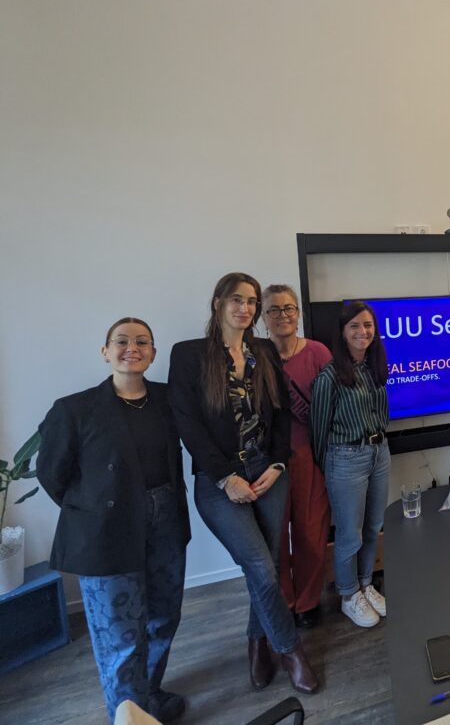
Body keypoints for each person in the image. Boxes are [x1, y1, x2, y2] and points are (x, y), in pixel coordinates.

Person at [168, 273, 318, 693]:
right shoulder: (189, 355)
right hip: (219, 482)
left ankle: (256, 640)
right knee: (260, 566)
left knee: (268, 561)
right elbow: (187, 423)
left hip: (268, 472)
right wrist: (224, 476)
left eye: (252, 301)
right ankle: (289, 649)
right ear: (218, 302)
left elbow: (282, 413)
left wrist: (277, 464)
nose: (246, 308)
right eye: (237, 299)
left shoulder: (264, 351)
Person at [37, 318, 190, 723]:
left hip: (166, 521)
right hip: (106, 533)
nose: (132, 348)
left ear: (153, 354)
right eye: (121, 341)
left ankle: (148, 698)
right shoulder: (74, 408)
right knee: (120, 636)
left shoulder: (167, 399)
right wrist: (94, 513)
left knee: (162, 618)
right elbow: (51, 475)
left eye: (142, 342)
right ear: (105, 351)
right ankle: (128, 715)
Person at [310, 301, 390, 629]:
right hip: (345, 459)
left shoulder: (373, 367)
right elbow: (318, 429)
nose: (362, 332)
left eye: (368, 325)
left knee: (373, 527)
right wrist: (331, 467)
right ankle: (348, 594)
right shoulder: (330, 376)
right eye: (355, 326)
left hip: (379, 452)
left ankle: (366, 584)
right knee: (349, 533)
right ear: (343, 332)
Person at [262, 285, 332, 629]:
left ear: (298, 313)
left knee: (311, 534)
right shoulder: (254, 356)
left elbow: (336, 404)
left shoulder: (318, 353)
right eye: (274, 310)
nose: (283, 315)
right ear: (263, 317)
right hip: (266, 461)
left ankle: (307, 602)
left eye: (288, 308)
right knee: (274, 536)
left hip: (309, 455)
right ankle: (284, 602)